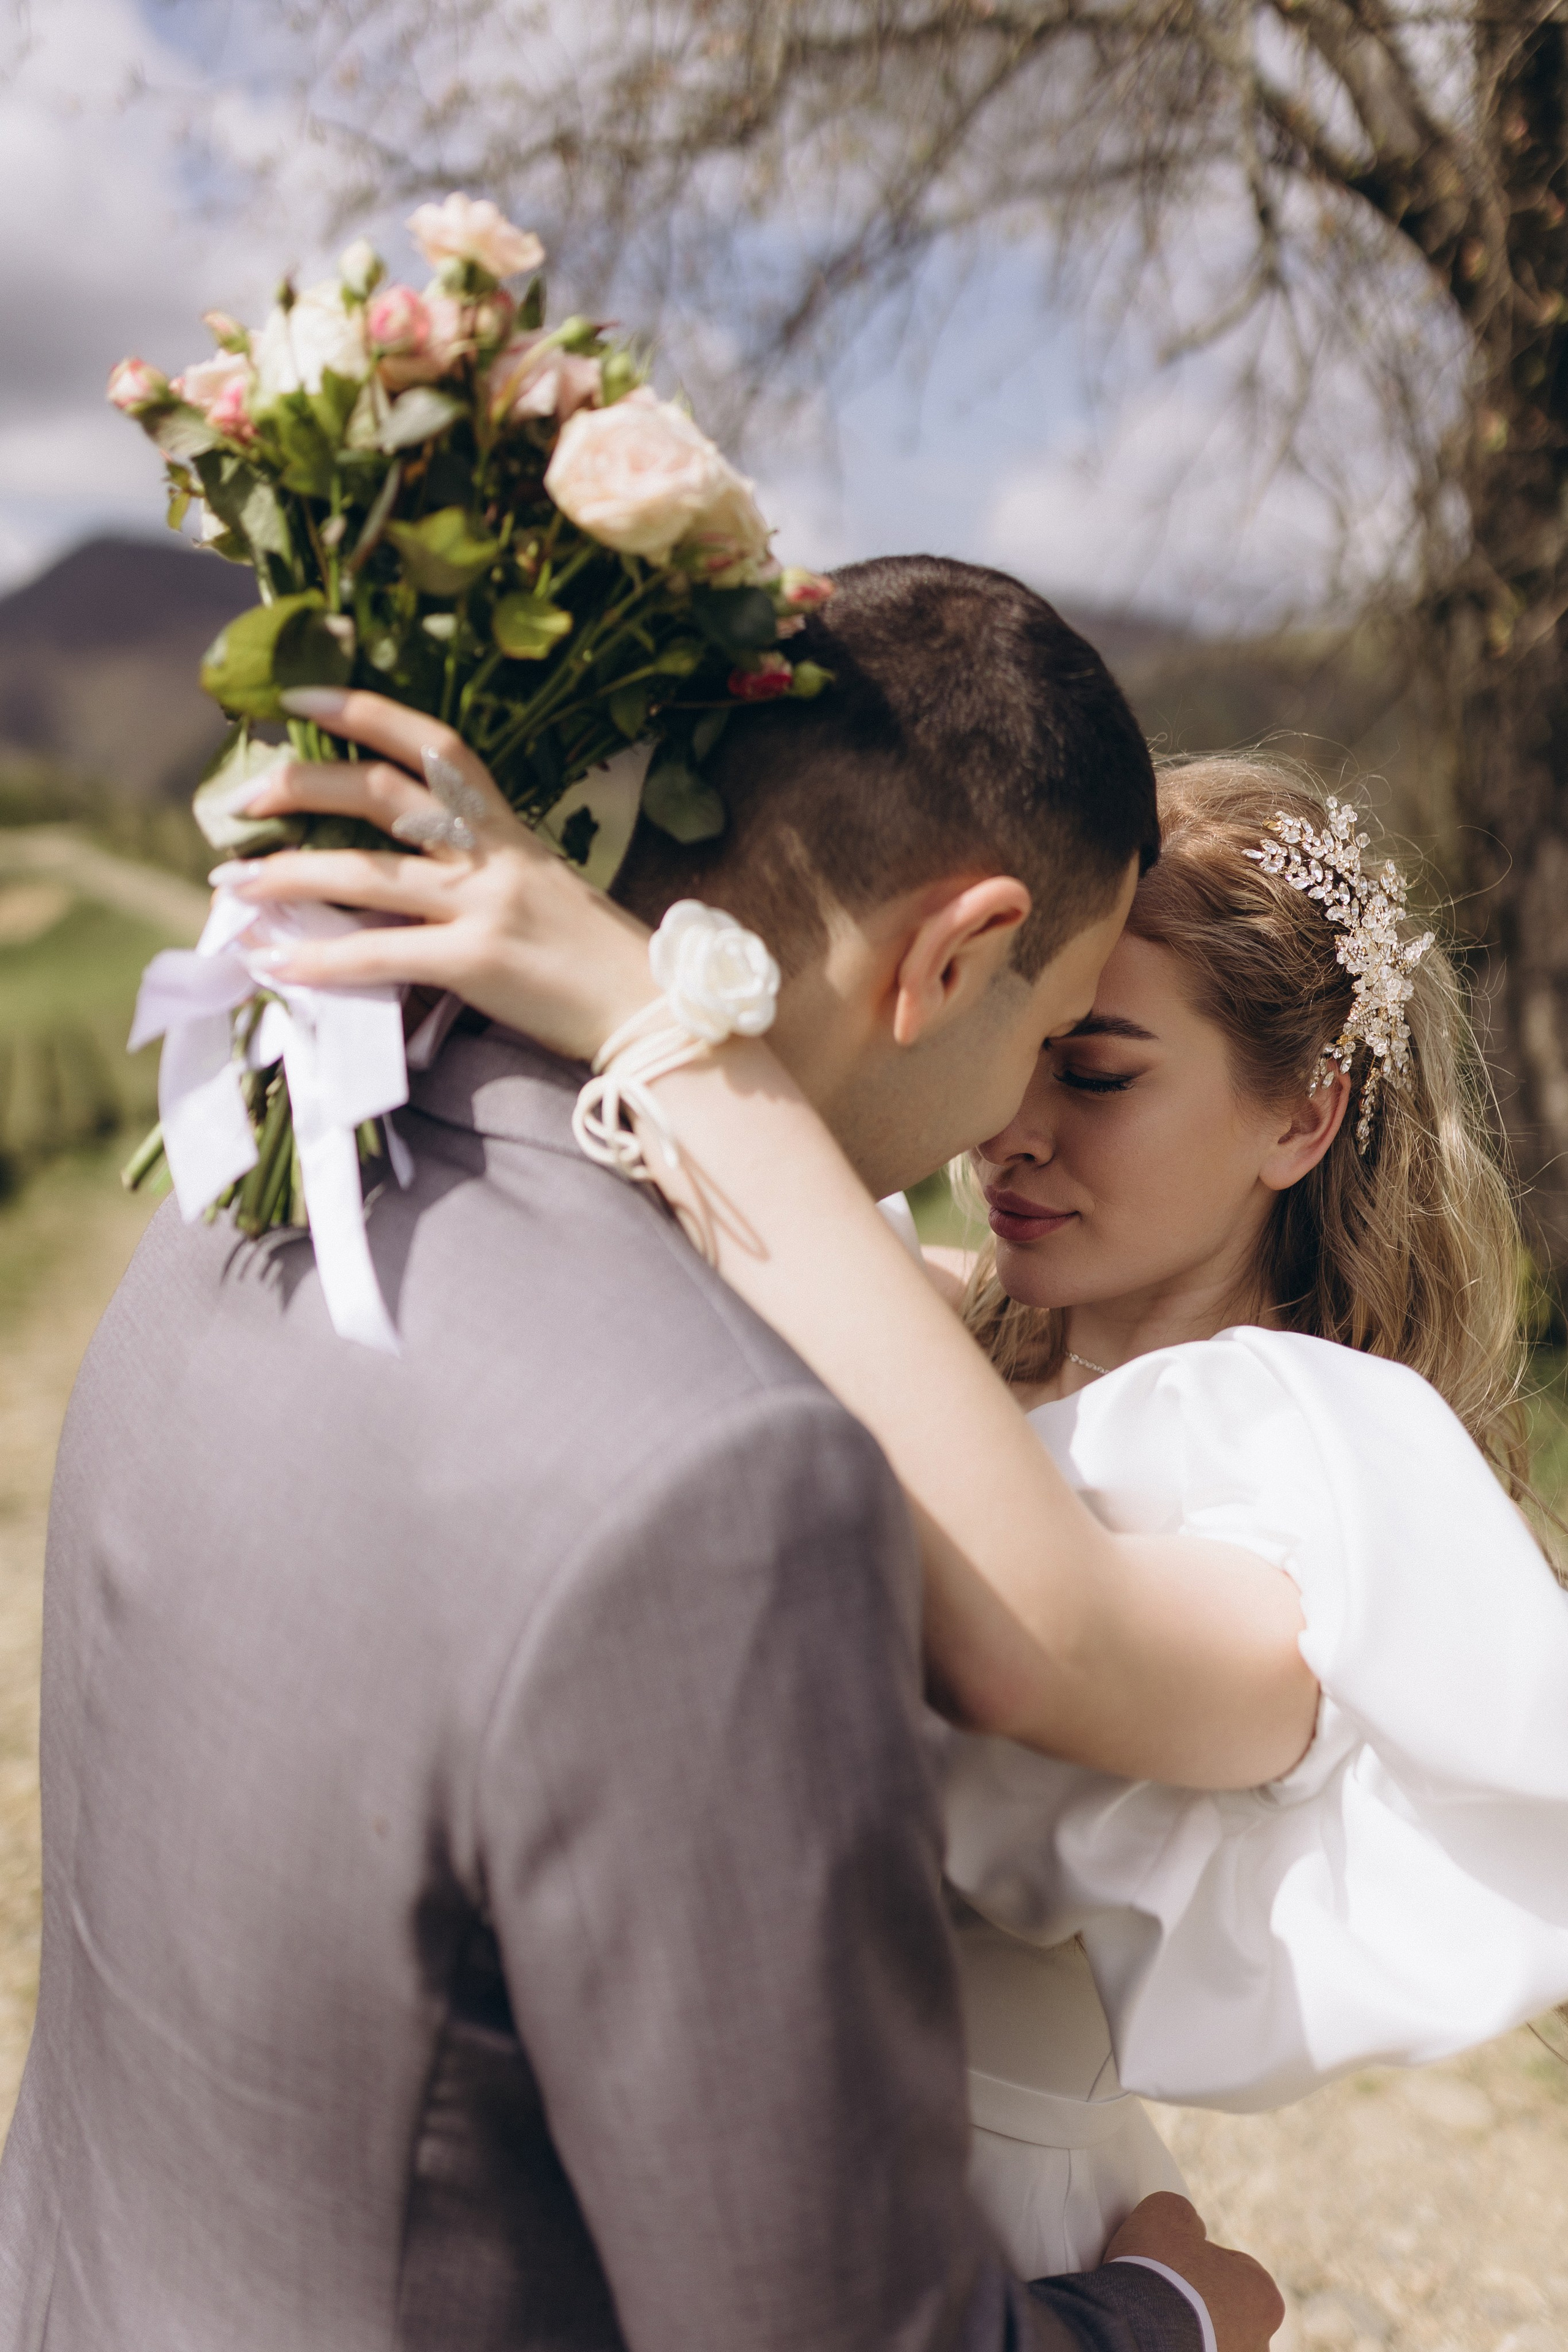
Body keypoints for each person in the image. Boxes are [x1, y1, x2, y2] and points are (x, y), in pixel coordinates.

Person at [0, 559, 1287, 2352]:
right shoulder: (728, 1480)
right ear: (954, 956)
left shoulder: (263, 1172)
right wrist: (1166, 2314)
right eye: (1051, 1031)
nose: (1017, 1120)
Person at [229, 680, 1568, 2294]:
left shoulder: (1314, 1463)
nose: (1012, 1128)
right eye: (1023, 1043)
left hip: (966, 2227)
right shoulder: (948, 1337)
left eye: (1100, 1076)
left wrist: (659, 1028)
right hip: (694, 2151)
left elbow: (1054, 1638)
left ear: (1301, 1114)